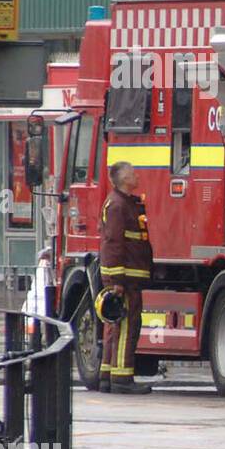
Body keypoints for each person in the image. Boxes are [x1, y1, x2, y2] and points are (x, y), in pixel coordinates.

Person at [99, 161, 153, 395]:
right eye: (132, 174)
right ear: (122, 180)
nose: (136, 176)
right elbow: (113, 243)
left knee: (115, 327)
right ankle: (122, 378)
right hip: (125, 278)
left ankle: (106, 375)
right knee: (126, 326)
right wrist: (117, 280)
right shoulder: (118, 206)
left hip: (127, 275)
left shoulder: (125, 204)